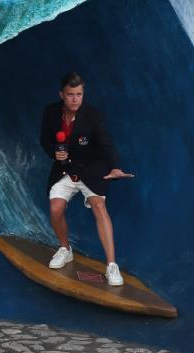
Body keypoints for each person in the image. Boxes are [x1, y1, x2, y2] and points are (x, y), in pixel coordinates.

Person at [40, 72, 133, 286]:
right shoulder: (51, 112)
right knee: (55, 209)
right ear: (62, 94)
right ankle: (65, 249)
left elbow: (106, 144)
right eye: (71, 95)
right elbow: (44, 139)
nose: (75, 99)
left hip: (92, 169)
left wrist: (115, 167)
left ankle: (111, 266)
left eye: (79, 94)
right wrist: (55, 153)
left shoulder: (93, 116)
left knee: (99, 207)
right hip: (65, 169)